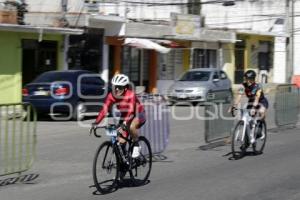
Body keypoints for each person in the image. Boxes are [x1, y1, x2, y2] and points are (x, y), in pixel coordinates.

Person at [92, 74, 146, 158]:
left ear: (125, 88)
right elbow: (104, 110)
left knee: (131, 126)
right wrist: (96, 122)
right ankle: (123, 165)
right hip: (125, 115)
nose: (116, 89)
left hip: (138, 114)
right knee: (120, 141)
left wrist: (124, 123)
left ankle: (136, 145)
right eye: (115, 87)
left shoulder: (130, 95)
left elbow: (131, 112)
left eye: (119, 87)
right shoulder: (111, 96)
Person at [230, 70, 269, 142]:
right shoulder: (243, 86)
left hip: (261, 101)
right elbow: (239, 96)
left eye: (249, 79)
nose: (247, 81)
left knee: (261, 112)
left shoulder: (258, 86)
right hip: (251, 101)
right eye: (246, 79)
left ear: (253, 79)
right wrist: (234, 106)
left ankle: (260, 129)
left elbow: (257, 99)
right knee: (247, 117)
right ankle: (248, 137)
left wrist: (254, 108)